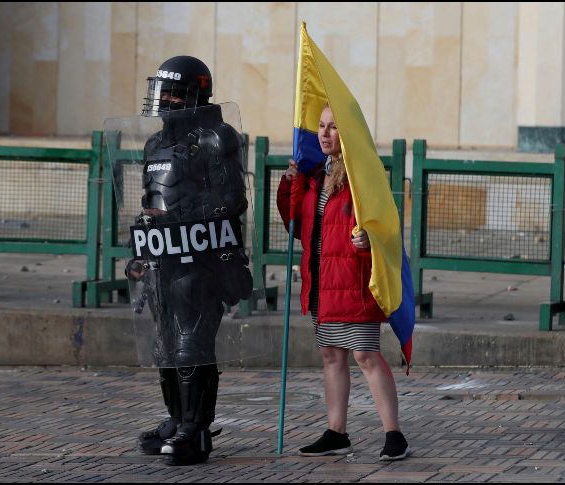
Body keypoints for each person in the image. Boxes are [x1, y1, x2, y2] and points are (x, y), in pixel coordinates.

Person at [128, 55, 252, 466]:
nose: (163, 100)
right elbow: (152, 199)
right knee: (164, 344)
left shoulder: (217, 137)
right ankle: (174, 419)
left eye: (173, 92)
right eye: (160, 91)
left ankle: (195, 428)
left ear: (195, 93)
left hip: (200, 259)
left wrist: (185, 217)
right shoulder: (154, 143)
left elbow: (233, 198)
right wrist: (142, 242)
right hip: (162, 258)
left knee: (189, 345)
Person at [277, 105, 411, 461]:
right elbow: (295, 221)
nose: (323, 134)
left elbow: (385, 224)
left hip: (352, 281)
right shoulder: (314, 174)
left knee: (365, 354)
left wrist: (370, 239)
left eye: (333, 127)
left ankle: (393, 433)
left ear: (347, 132)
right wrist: (290, 183)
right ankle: (336, 432)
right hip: (321, 281)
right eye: (320, 126)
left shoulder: (361, 174)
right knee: (331, 355)